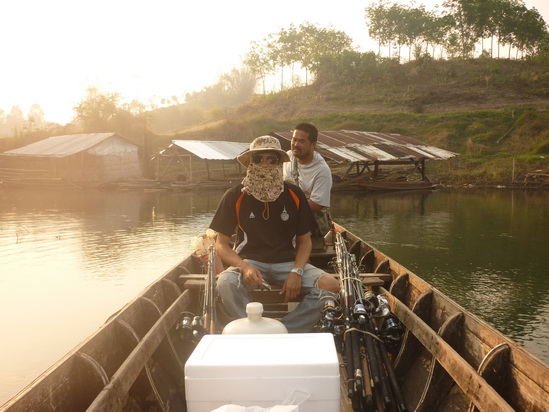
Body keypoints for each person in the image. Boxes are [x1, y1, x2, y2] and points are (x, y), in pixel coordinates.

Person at [209, 135, 339, 333]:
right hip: (250, 263)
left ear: (280, 162)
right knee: (225, 282)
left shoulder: (294, 195)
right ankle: (249, 328)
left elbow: (305, 243)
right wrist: (244, 267)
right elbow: (221, 244)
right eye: (258, 159)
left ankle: (283, 330)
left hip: (287, 263)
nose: (265, 164)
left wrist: (297, 271)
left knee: (331, 286)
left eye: (272, 159)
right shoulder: (235, 195)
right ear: (250, 163)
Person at [283, 122, 333, 238]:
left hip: (311, 223)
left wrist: (286, 210)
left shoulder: (322, 170)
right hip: (286, 217)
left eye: (301, 141)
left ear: (313, 145)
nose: (296, 144)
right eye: (294, 140)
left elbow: (316, 205)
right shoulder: (287, 157)